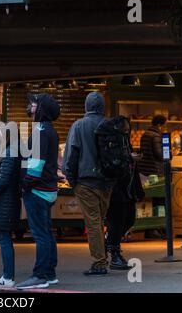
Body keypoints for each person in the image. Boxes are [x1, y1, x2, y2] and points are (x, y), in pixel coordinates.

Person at [62, 92, 114, 276]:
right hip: (107, 183)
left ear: (86, 106)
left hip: (85, 182)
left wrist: (72, 181)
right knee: (99, 221)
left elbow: (71, 156)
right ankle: (106, 256)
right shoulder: (110, 124)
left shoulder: (79, 125)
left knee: (93, 223)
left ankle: (99, 263)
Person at [16, 93, 60, 290]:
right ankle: (50, 273)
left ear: (40, 108)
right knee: (47, 233)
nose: (30, 106)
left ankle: (40, 275)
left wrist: (25, 184)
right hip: (48, 189)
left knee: (40, 234)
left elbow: (36, 164)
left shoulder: (40, 130)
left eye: (33, 104)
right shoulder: (50, 130)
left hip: (37, 190)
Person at [105, 117, 145, 270]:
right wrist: (129, 157)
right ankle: (114, 254)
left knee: (129, 219)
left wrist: (133, 157)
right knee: (117, 221)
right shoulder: (111, 141)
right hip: (116, 188)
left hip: (127, 189)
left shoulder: (124, 141)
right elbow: (113, 161)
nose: (127, 132)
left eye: (128, 130)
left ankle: (108, 242)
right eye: (125, 130)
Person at [0, 126, 21, 289]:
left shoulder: (8, 153)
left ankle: (7, 277)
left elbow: (3, 180)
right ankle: (7, 276)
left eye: (0, 134)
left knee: (4, 239)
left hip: (4, 202)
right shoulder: (14, 151)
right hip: (8, 201)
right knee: (4, 238)